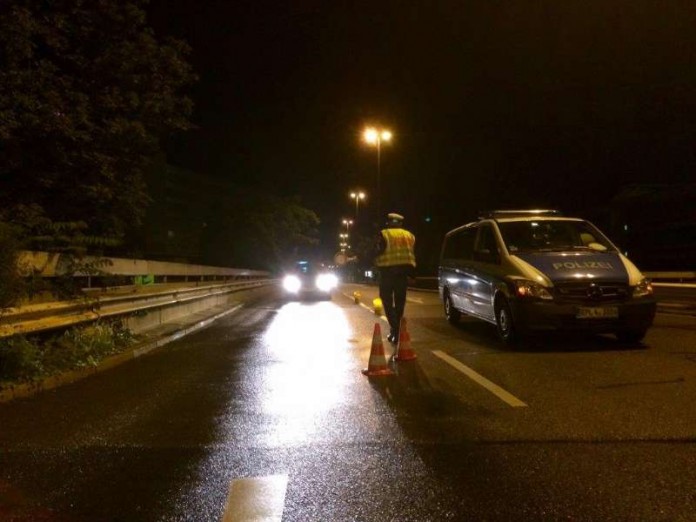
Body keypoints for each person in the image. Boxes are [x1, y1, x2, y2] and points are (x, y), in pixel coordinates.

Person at [374, 212, 416, 344]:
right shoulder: (410, 235)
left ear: (389, 223)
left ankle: (396, 329)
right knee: (399, 303)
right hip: (403, 274)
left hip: (387, 272)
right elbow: (411, 254)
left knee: (386, 300)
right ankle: (396, 332)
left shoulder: (384, 234)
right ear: (401, 224)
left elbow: (377, 250)